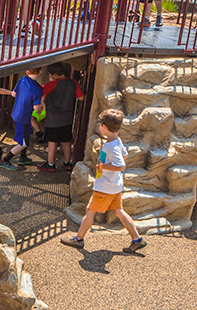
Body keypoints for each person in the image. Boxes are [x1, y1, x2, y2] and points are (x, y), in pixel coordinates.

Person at [61, 108, 147, 253]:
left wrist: (102, 165)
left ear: (104, 127)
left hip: (105, 187)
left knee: (90, 210)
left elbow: (121, 165)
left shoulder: (110, 146)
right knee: (118, 210)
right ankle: (137, 239)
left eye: (101, 125)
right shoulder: (117, 141)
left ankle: (78, 239)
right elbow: (124, 156)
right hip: (115, 186)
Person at [37, 62, 84, 172]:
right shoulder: (73, 83)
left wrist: (44, 107)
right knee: (66, 141)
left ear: (54, 75)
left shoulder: (50, 85)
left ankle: (51, 164)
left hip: (52, 119)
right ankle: (67, 163)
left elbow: (41, 96)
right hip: (67, 118)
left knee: (52, 142)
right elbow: (81, 98)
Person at [0, 68, 44, 170]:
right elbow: (36, 108)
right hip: (24, 117)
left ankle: (23, 157)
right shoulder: (38, 88)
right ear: (40, 72)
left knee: (26, 134)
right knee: (23, 143)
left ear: (26, 71)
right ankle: (5, 160)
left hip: (16, 113)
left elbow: (14, 94)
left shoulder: (22, 79)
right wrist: (42, 108)